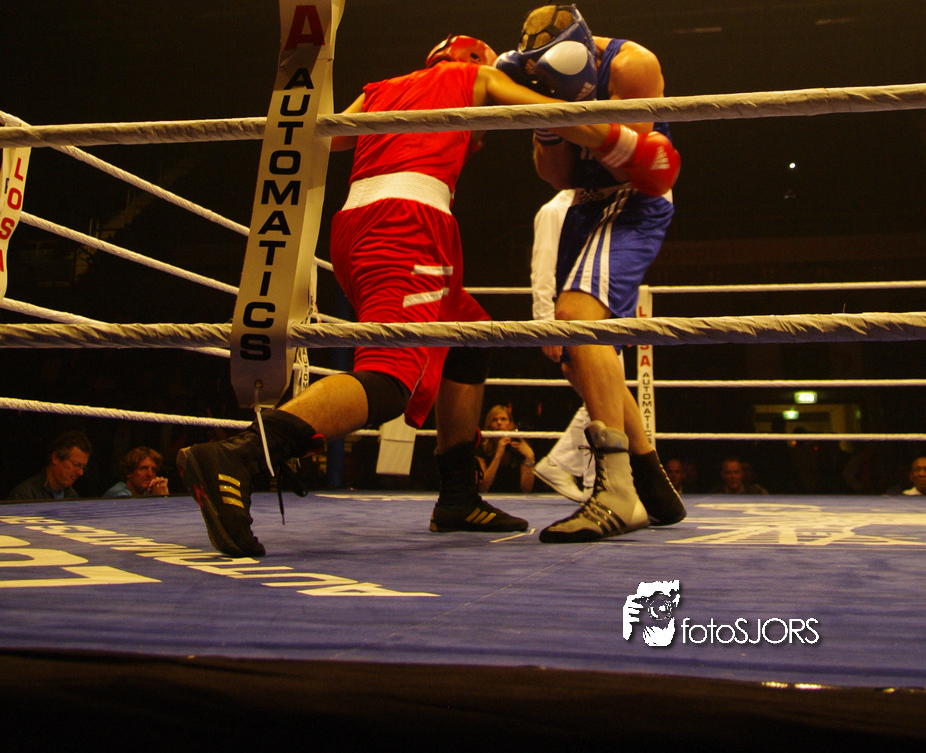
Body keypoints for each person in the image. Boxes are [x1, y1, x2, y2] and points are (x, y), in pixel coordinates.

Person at [179, 33, 635, 559]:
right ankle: (240, 456)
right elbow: (552, 116)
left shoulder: (381, 89)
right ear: (474, 59)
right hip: (406, 226)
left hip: (358, 225)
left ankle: (458, 497)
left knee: (468, 336)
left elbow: (325, 141)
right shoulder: (473, 76)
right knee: (390, 377)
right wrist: (629, 144)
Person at [498, 2, 685, 542]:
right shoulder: (538, 77)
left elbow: (641, 163)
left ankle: (616, 492)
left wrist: (561, 111)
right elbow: (558, 177)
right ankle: (651, 484)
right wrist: (548, 123)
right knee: (577, 357)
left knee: (578, 318)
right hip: (582, 205)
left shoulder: (631, 65)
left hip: (634, 198)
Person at [530, 189, 595, 504]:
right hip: (570, 317)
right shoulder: (553, 210)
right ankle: (585, 479)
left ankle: (589, 481)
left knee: (604, 400)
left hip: (596, 313)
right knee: (602, 399)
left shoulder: (595, 204)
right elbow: (542, 271)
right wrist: (546, 326)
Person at [6, 430, 92, 502]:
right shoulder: (25, 496)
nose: (80, 473)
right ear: (56, 458)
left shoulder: (72, 496)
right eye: (75, 465)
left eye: (83, 467)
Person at [477, 404, 536, 493]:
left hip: (516, 498)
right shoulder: (481, 447)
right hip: (488, 497)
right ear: (489, 425)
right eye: (494, 420)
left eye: (503, 419)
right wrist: (498, 456)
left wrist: (530, 458)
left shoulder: (521, 446)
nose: (499, 422)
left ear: (511, 425)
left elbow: (526, 489)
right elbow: (482, 488)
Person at [103, 446, 169, 498]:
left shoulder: (146, 492)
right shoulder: (119, 494)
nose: (150, 474)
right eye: (144, 468)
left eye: (153, 469)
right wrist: (158, 499)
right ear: (128, 472)